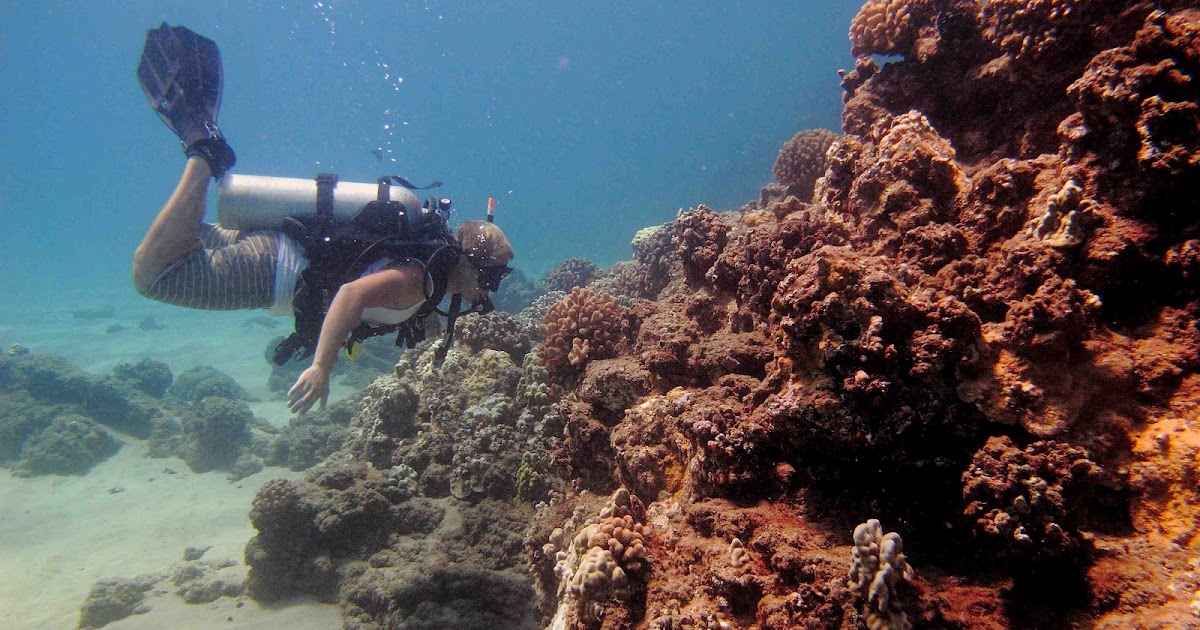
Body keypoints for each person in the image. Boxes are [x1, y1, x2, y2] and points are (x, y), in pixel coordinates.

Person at [133, 23, 514, 415]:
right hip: (273, 274)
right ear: (466, 260)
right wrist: (321, 366)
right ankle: (205, 154)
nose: (492, 288)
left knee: (182, 240)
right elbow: (352, 295)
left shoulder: (430, 282)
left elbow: (413, 321)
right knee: (154, 276)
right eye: (492, 276)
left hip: (282, 249)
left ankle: (203, 150)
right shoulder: (418, 279)